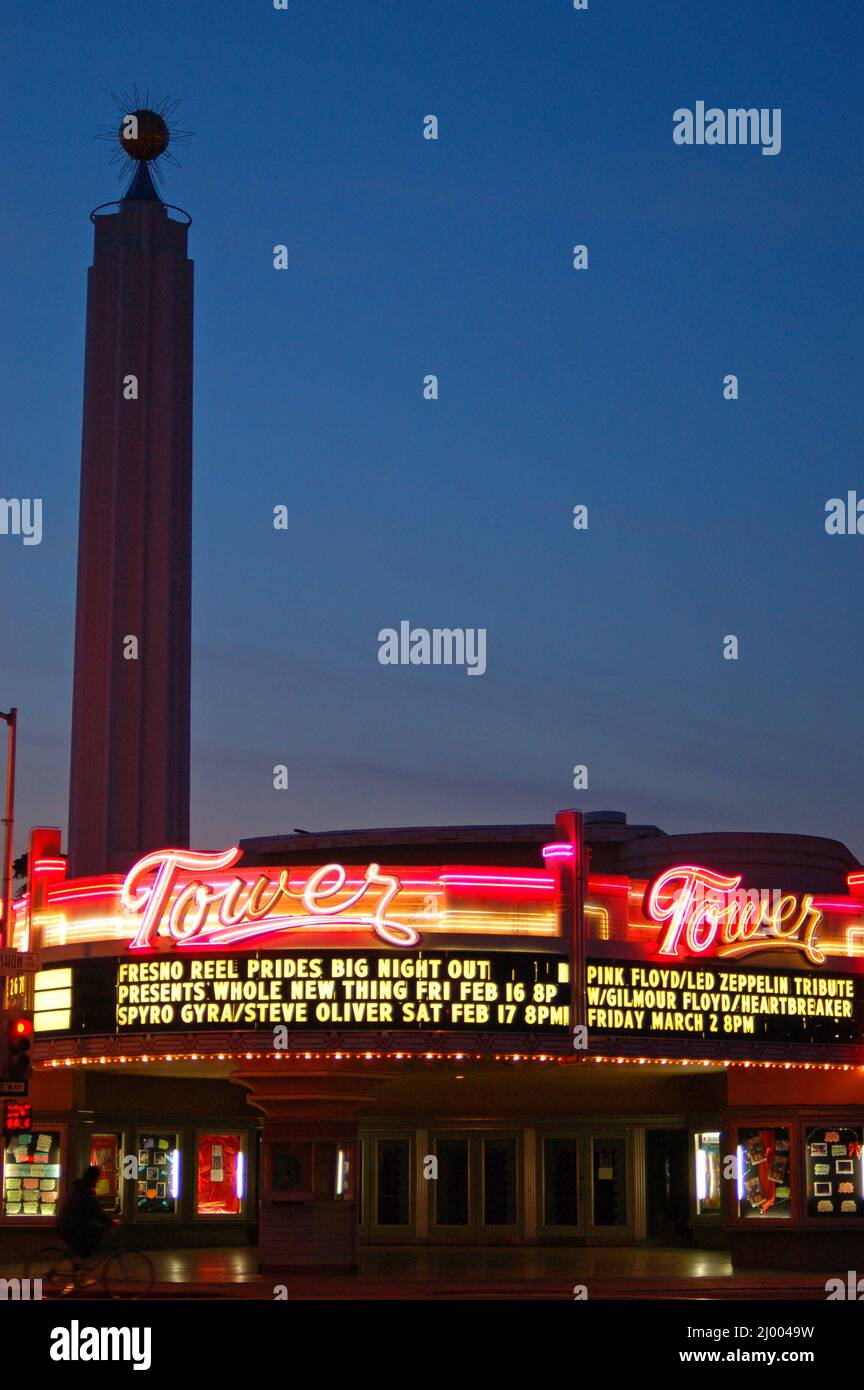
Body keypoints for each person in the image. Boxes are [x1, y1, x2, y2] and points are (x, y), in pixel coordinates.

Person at [56, 1165, 115, 1262]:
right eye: (97, 1179)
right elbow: (96, 1212)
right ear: (93, 1179)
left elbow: (93, 1211)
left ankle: (79, 1267)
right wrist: (111, 1222)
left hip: (67, 1225)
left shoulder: (80, 1188)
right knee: (93, 1237)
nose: (97, 1182)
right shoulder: (85, 1192)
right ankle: (80, 1267)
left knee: (85, 1240)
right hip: (69, 1227)